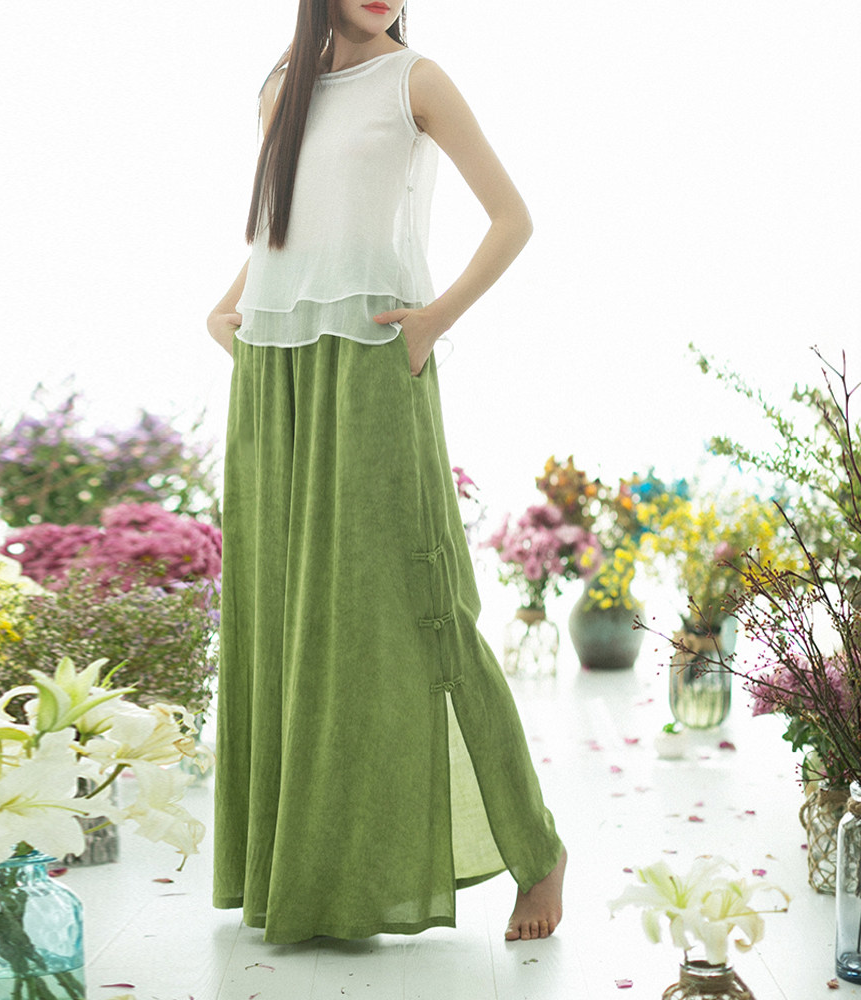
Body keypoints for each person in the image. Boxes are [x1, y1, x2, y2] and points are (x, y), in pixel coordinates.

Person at [207, 0, 566, 945]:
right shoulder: (280, 89)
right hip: (275, 372)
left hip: (370, 363)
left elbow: (513, 220)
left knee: (421, 608)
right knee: (287, 615)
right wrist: (228, 306)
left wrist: (433, 320)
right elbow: (283, 228)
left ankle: (536, 850)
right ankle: (313, 873)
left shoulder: (418, 79)